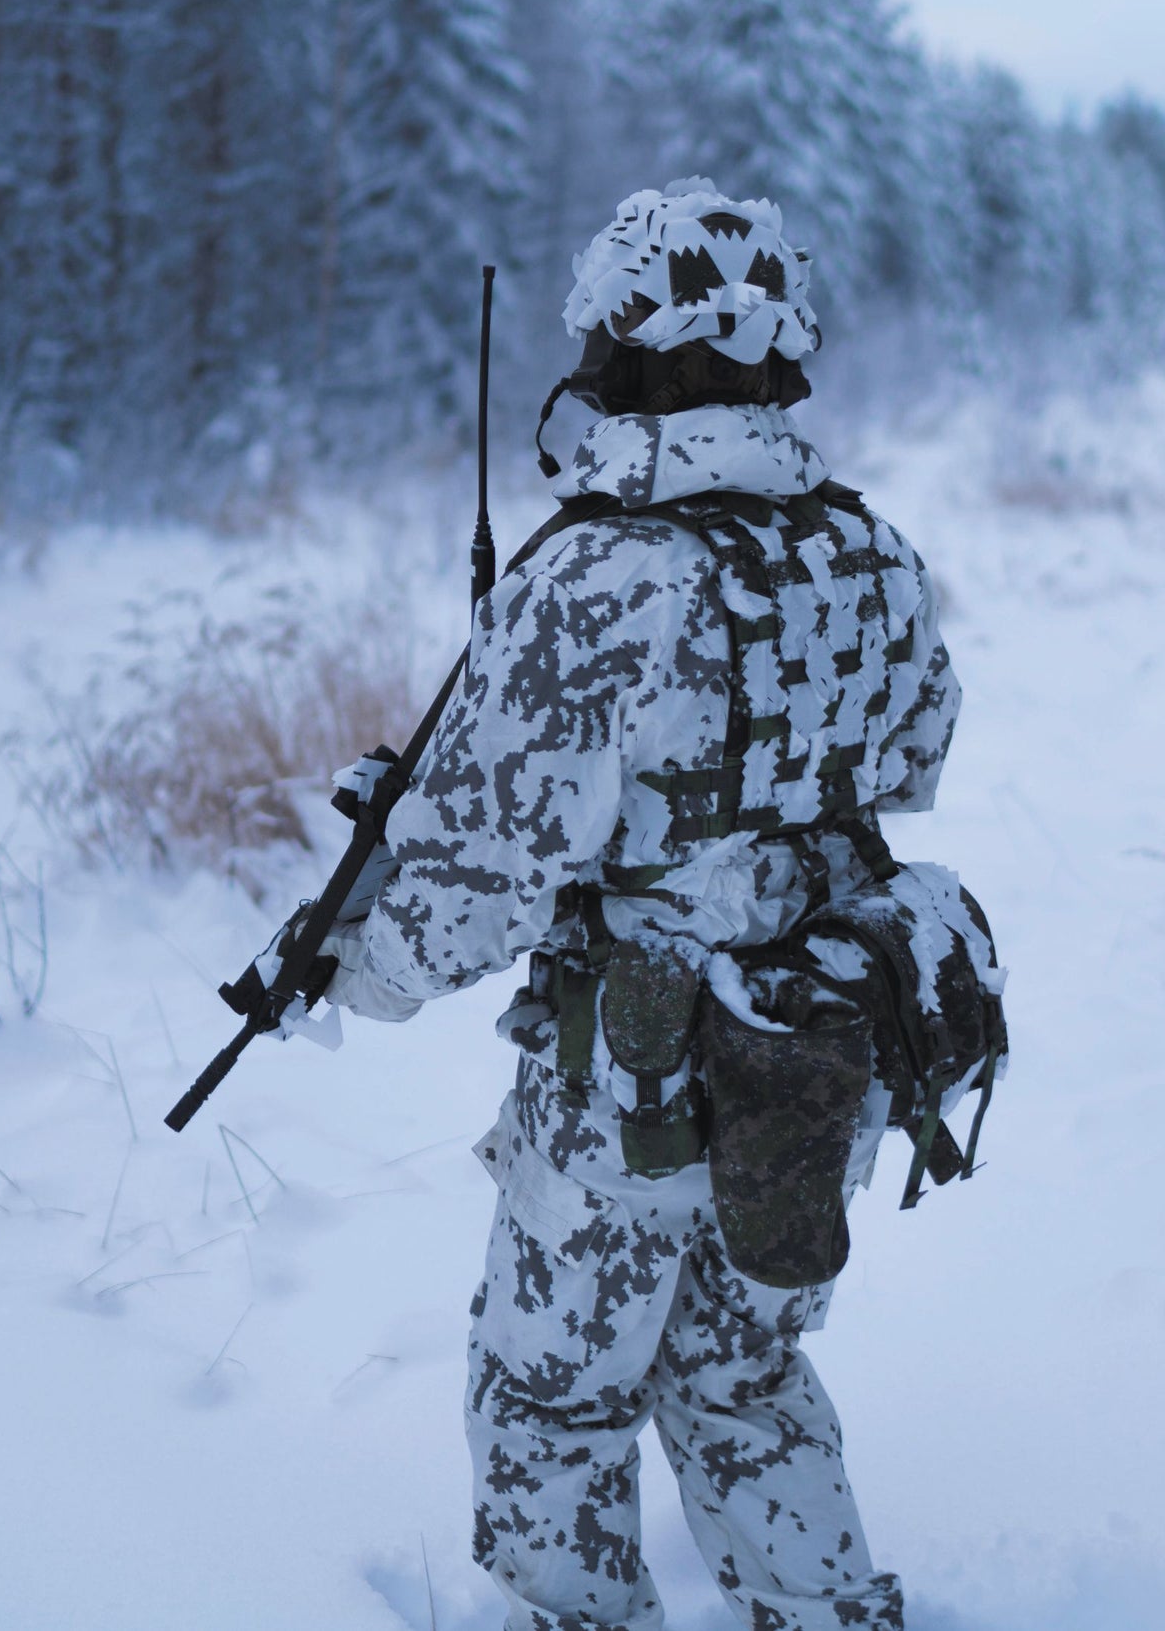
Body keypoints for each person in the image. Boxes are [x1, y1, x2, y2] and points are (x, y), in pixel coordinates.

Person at [322, 177, 962, 1631]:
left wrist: (356, 978)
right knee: (743, 1375)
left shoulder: (601, 573)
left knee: (551, 1392)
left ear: (609, 349)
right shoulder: (870, 552)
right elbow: (918, 753)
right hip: (821, 1048)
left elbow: (479, 876)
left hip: (636, 1081)